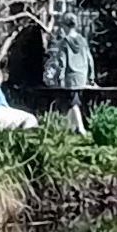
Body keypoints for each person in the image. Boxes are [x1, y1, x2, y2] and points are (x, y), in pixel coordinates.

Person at [41, 10, 95, 138]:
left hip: (70, 76)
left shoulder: (64, 43)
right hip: (82, 75)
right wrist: (91, 76)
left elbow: (62, 61)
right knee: (73, 100)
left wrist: (59, 77)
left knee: (73, 102)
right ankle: (71, 127)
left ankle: (81, 128)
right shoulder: (82, 40)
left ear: (64, 26)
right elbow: (89, 59)